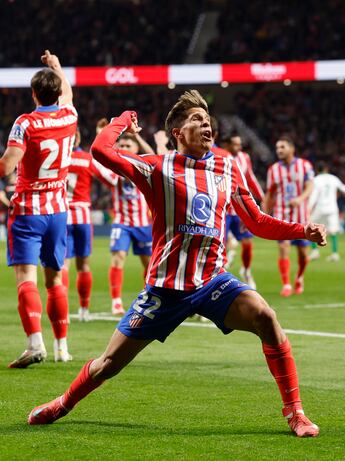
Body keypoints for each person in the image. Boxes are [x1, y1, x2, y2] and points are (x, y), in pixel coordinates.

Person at [28, 90, 326, 438]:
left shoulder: (226, 167)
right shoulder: (156, 167)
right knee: (109, 364)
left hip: (211, 282)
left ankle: (295, 412)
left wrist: (301, 230)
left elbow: (256, 221)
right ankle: (62, 403)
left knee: (266, 316)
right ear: (178, 133)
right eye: (196, 120)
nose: (206, 124)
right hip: (165, 290)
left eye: (207, 119)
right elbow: (100, 151)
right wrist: (122, 120)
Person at [0, 50, 77, 367]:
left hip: (29, 211)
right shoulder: (69, 117)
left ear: (33, 94)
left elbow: (7, 167)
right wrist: (57, 66)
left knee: (26, 278)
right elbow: (69, 94)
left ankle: (35, 344)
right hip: (58, 210)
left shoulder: (26, 123)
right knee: (54, 280)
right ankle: (62, 348)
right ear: (57, 92)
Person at [62, 127, 117, 322]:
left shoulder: (56, 158)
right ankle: (84, 310)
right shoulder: (87, 159)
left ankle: (63, 310)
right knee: (83, 265)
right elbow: (112, 179)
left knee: (63, 266)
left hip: (62, 216)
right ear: (78, 138)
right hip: (83, 216)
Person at [108, 132, 155, 315]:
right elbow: (101, 157)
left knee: (149, 264)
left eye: (129, 146)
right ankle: (116, 301)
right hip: (122, 223)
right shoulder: (115, 168)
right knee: (118, 258)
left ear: (136, 149)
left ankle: (148, 298)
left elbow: (153, 155)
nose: (125, 149)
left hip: (143, 224)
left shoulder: (143, 167)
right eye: (123, 146)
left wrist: (139, 137)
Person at [262, 136, 314, 297]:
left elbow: (310, 186)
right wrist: (265, 214)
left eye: (282, 147)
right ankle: (286, 284)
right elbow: (270, 194)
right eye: (277, 148)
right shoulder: (273, 170)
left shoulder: (305, 166)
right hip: (281, 215)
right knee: (284, 248)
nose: (279, 150)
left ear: (292, 148)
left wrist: (300, 198)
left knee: (303, 253)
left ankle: (299, 277)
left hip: (301, 216)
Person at [222, 134, 265, 289]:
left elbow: (250, 177)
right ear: (226, 144)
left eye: (240, 144)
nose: (238, 148)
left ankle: (246, 270)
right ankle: (219, 278)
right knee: (222, 246)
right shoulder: (218, 156)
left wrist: (262, 197)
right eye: (235, 144)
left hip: (240, 209)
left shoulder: (244, 157)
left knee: (247, 243)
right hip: (224, 210)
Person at [308, 161, 345, 262]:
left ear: (317, 170)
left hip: (320, 208)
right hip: (332, 208)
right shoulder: (333, 178)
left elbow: (313, 196)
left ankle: (315, 251)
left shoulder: (316, 180)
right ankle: (335, 253)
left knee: (311, 227)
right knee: (333, 231)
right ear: (326, 169)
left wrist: (309, 208)